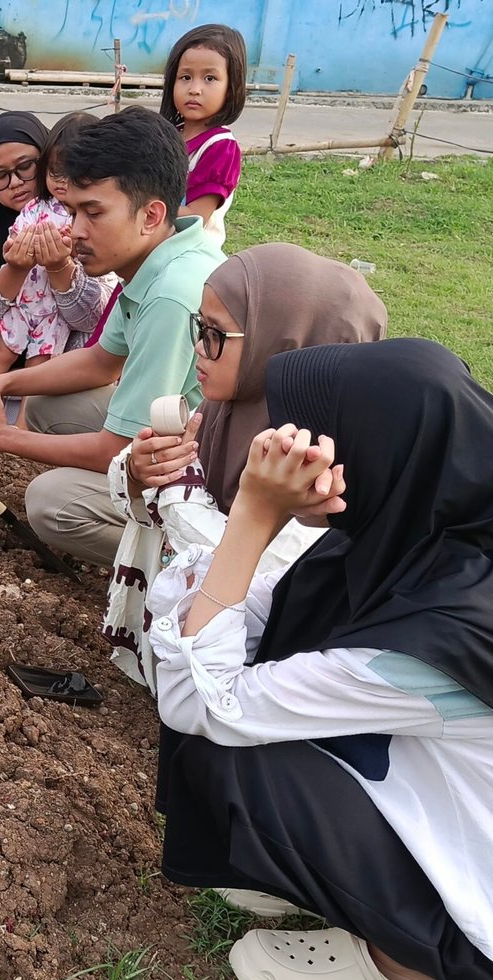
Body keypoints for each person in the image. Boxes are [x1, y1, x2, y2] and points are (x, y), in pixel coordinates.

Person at [147, 340, 493, 980]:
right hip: (457, 845)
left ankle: (404, 970)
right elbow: (234, 617)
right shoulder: (429, 552)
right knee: (240, 709)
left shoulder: (442, 640)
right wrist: (288, 522)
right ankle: (334, 890)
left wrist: (252, 515)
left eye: (317, 438)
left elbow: (199, 695)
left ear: (375, 455)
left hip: (480, 924)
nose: (292, 448)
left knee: (225, 748)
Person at [0, 106, 224, 567]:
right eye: (70, 210)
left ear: (151, 214)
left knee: (52, 502)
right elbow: (101, 362)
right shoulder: (166, 250)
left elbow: (114, 449)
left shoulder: (171, 295)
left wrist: (2, 437)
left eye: (93, 213)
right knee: (45, 405)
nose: (75, 230)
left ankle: (183, 562)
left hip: (213, 473)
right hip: (183, 437)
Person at [101, 243, 387, 685]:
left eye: (215, 334)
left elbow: (262, 565)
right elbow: (140, 508)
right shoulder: (221, 408)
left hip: (235, 679)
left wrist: (176, 490)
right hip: (180, 650)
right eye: (199, 326)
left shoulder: (321, 459)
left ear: (282, 342)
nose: (198, 346)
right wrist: (140, 472)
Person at [0, 111, 114, 380]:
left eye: (72, 173)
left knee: (37, 370)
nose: (60, 181)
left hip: (55, 313)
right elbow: (16, 234)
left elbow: (96, 268)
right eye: (54, 171)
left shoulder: (90, 215)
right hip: (23, 300)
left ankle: (22, 422)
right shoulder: (37, 206)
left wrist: (68, 258)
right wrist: (15, 251)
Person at [160, 23, 247, 247]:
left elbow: (194, 218)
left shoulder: (220, 147)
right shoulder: (166, 136)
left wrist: (138, 210)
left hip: (188, 259)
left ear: (231, 87)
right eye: (185, 77)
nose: (195, 89)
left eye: (209, 78)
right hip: (154, 250)